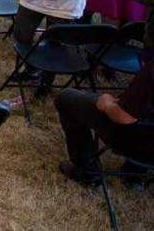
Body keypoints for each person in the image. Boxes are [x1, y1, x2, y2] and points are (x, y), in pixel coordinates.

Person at [53, 58, 154, 186]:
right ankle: (135, 173)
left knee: (65, 98)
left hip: (134, 139)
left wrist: (106, 104)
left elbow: (123, 116)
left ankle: (87, 173)